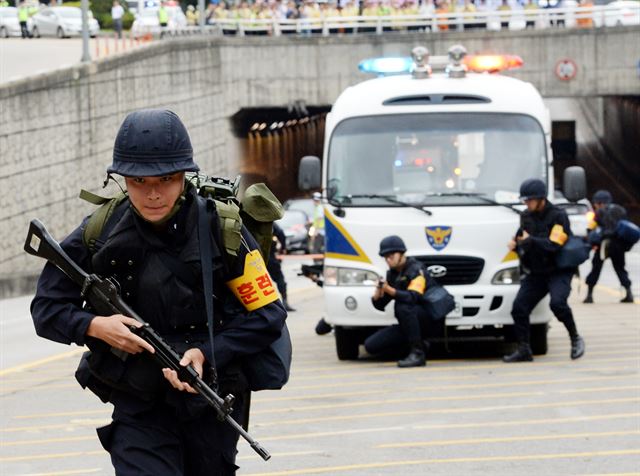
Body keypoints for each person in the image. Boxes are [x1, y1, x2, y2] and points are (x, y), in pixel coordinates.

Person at [30, 109, 287, 475]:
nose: (152, 193)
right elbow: (47, 308)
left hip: (209, 398)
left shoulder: (222, 229)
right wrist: (95, 326)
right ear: (121, 180)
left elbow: (268, 315)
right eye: (138, 181)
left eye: (166, 179)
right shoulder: (100, 230)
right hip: (139, 402)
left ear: (184, 176)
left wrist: (206, 352)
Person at [503, 178, 585, 363]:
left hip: (558, 270)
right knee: (519, 308)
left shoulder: (558, 216)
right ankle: (524, 349)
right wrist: (516, 245)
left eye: (529, 200)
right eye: (524, 200)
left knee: (557, 304)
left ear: (541, 199)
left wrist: (530, 240)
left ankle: (575, 338)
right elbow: (522, 241)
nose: (526, 203)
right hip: (537, 271)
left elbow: (554, 245)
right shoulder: (525, 216)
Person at [364, 235, 431, 368]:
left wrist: (388, 289)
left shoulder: (416, 269)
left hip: (426, 318)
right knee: (371, 346)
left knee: (403, 305)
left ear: (401, 253)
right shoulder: (393, 274)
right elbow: (380, 305)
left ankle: (418, 353)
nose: (388, 260)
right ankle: (421, 345)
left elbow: (413, 297)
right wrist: (379, 290)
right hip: (407, 324)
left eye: (391, 255)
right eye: (385, 257)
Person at [584, 190, 634, 304]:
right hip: (618, 245)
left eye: (595, 203)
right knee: (620, 269)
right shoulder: (620, 209)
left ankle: (589, 295)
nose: (595, 205)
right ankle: (629, 293)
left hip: (604, 245)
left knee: (596, 269)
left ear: (600, 202)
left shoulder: (599, 212)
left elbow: (591, 228)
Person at [268, 222, 296, 312]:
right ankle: (285, 302)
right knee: (280, 279)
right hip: (269, 255)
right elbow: (281, 234)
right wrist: (283, 248)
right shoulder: (268, 220)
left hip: (252, 256)